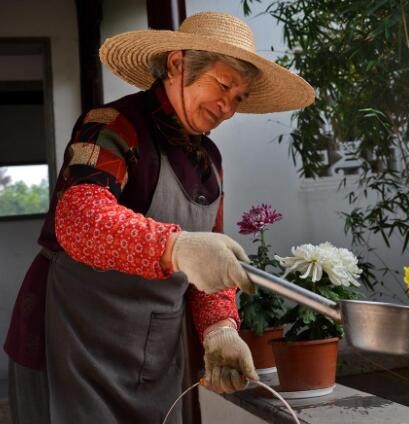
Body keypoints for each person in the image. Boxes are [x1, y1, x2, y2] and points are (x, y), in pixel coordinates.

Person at [4, 11, 314, 424]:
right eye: (223, 86)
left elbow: (213, 262)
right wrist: (176, 247)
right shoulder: (112, 127)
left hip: (155, 355)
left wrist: (220, 326)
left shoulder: (210, 163)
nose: (228, 108)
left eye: (239, 97)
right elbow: (78, 219)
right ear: (176, 64)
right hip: (73, 340)